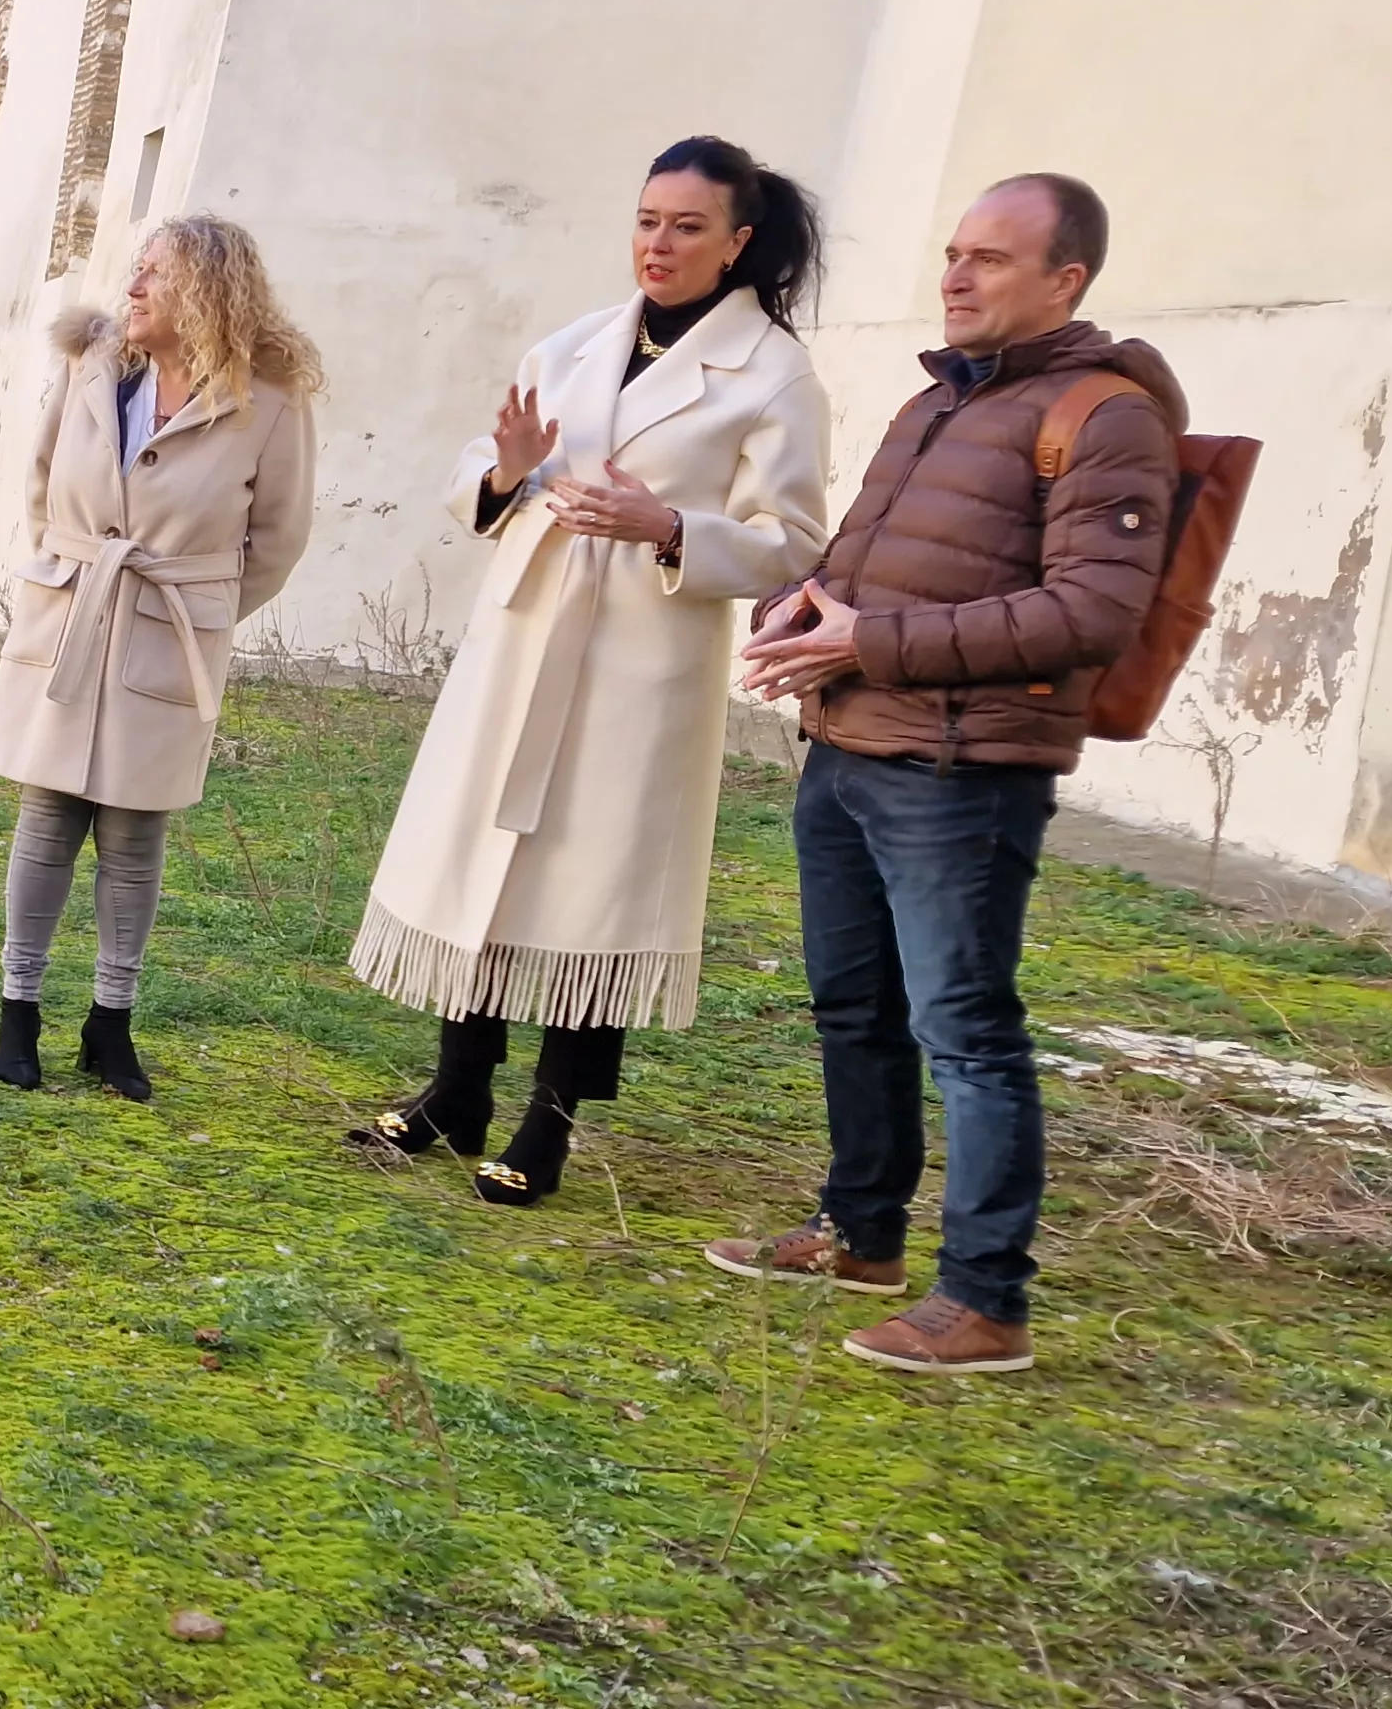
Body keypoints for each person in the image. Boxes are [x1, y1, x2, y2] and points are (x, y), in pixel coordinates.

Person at [709, 173, 1180, 1376]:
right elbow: (867, 568)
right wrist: (799, 605)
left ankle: (984, 1299)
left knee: (965, 1029)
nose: (955, 277)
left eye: (990, 260)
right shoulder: (939, 401)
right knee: (854, 1009)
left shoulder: (1104, 415)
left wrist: (865, 640)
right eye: (953, 254)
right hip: (852, 746)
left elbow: (1091, 611)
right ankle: (861, 1232)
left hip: (963, 776)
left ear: (1065, 280)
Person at [346, 137, 833, 1205]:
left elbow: (794, 540)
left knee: (592, 884)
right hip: (524, 642)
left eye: (687, 226)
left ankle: (548, 1123)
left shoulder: (773, 374)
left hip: (639, 663)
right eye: (647, 221)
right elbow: (477, 475)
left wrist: (667, 525)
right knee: (487, 859)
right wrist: (508, 473)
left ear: (737, 243)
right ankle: (456, 1088)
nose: (657, 245)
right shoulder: (573, 345)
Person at [0, 213, 319, 1099]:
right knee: (46, 818)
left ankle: (109, 1023)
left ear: (205, 291)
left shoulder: (269, 404)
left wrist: (194, 612)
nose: (131, 289)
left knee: (134, 834)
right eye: (135, 272)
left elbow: (276, 541)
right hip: (72, 621)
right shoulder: (90, 371)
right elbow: (43, 486)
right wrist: (71, 574)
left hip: (169, 634)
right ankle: (19, 1012)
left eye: (152, 275)